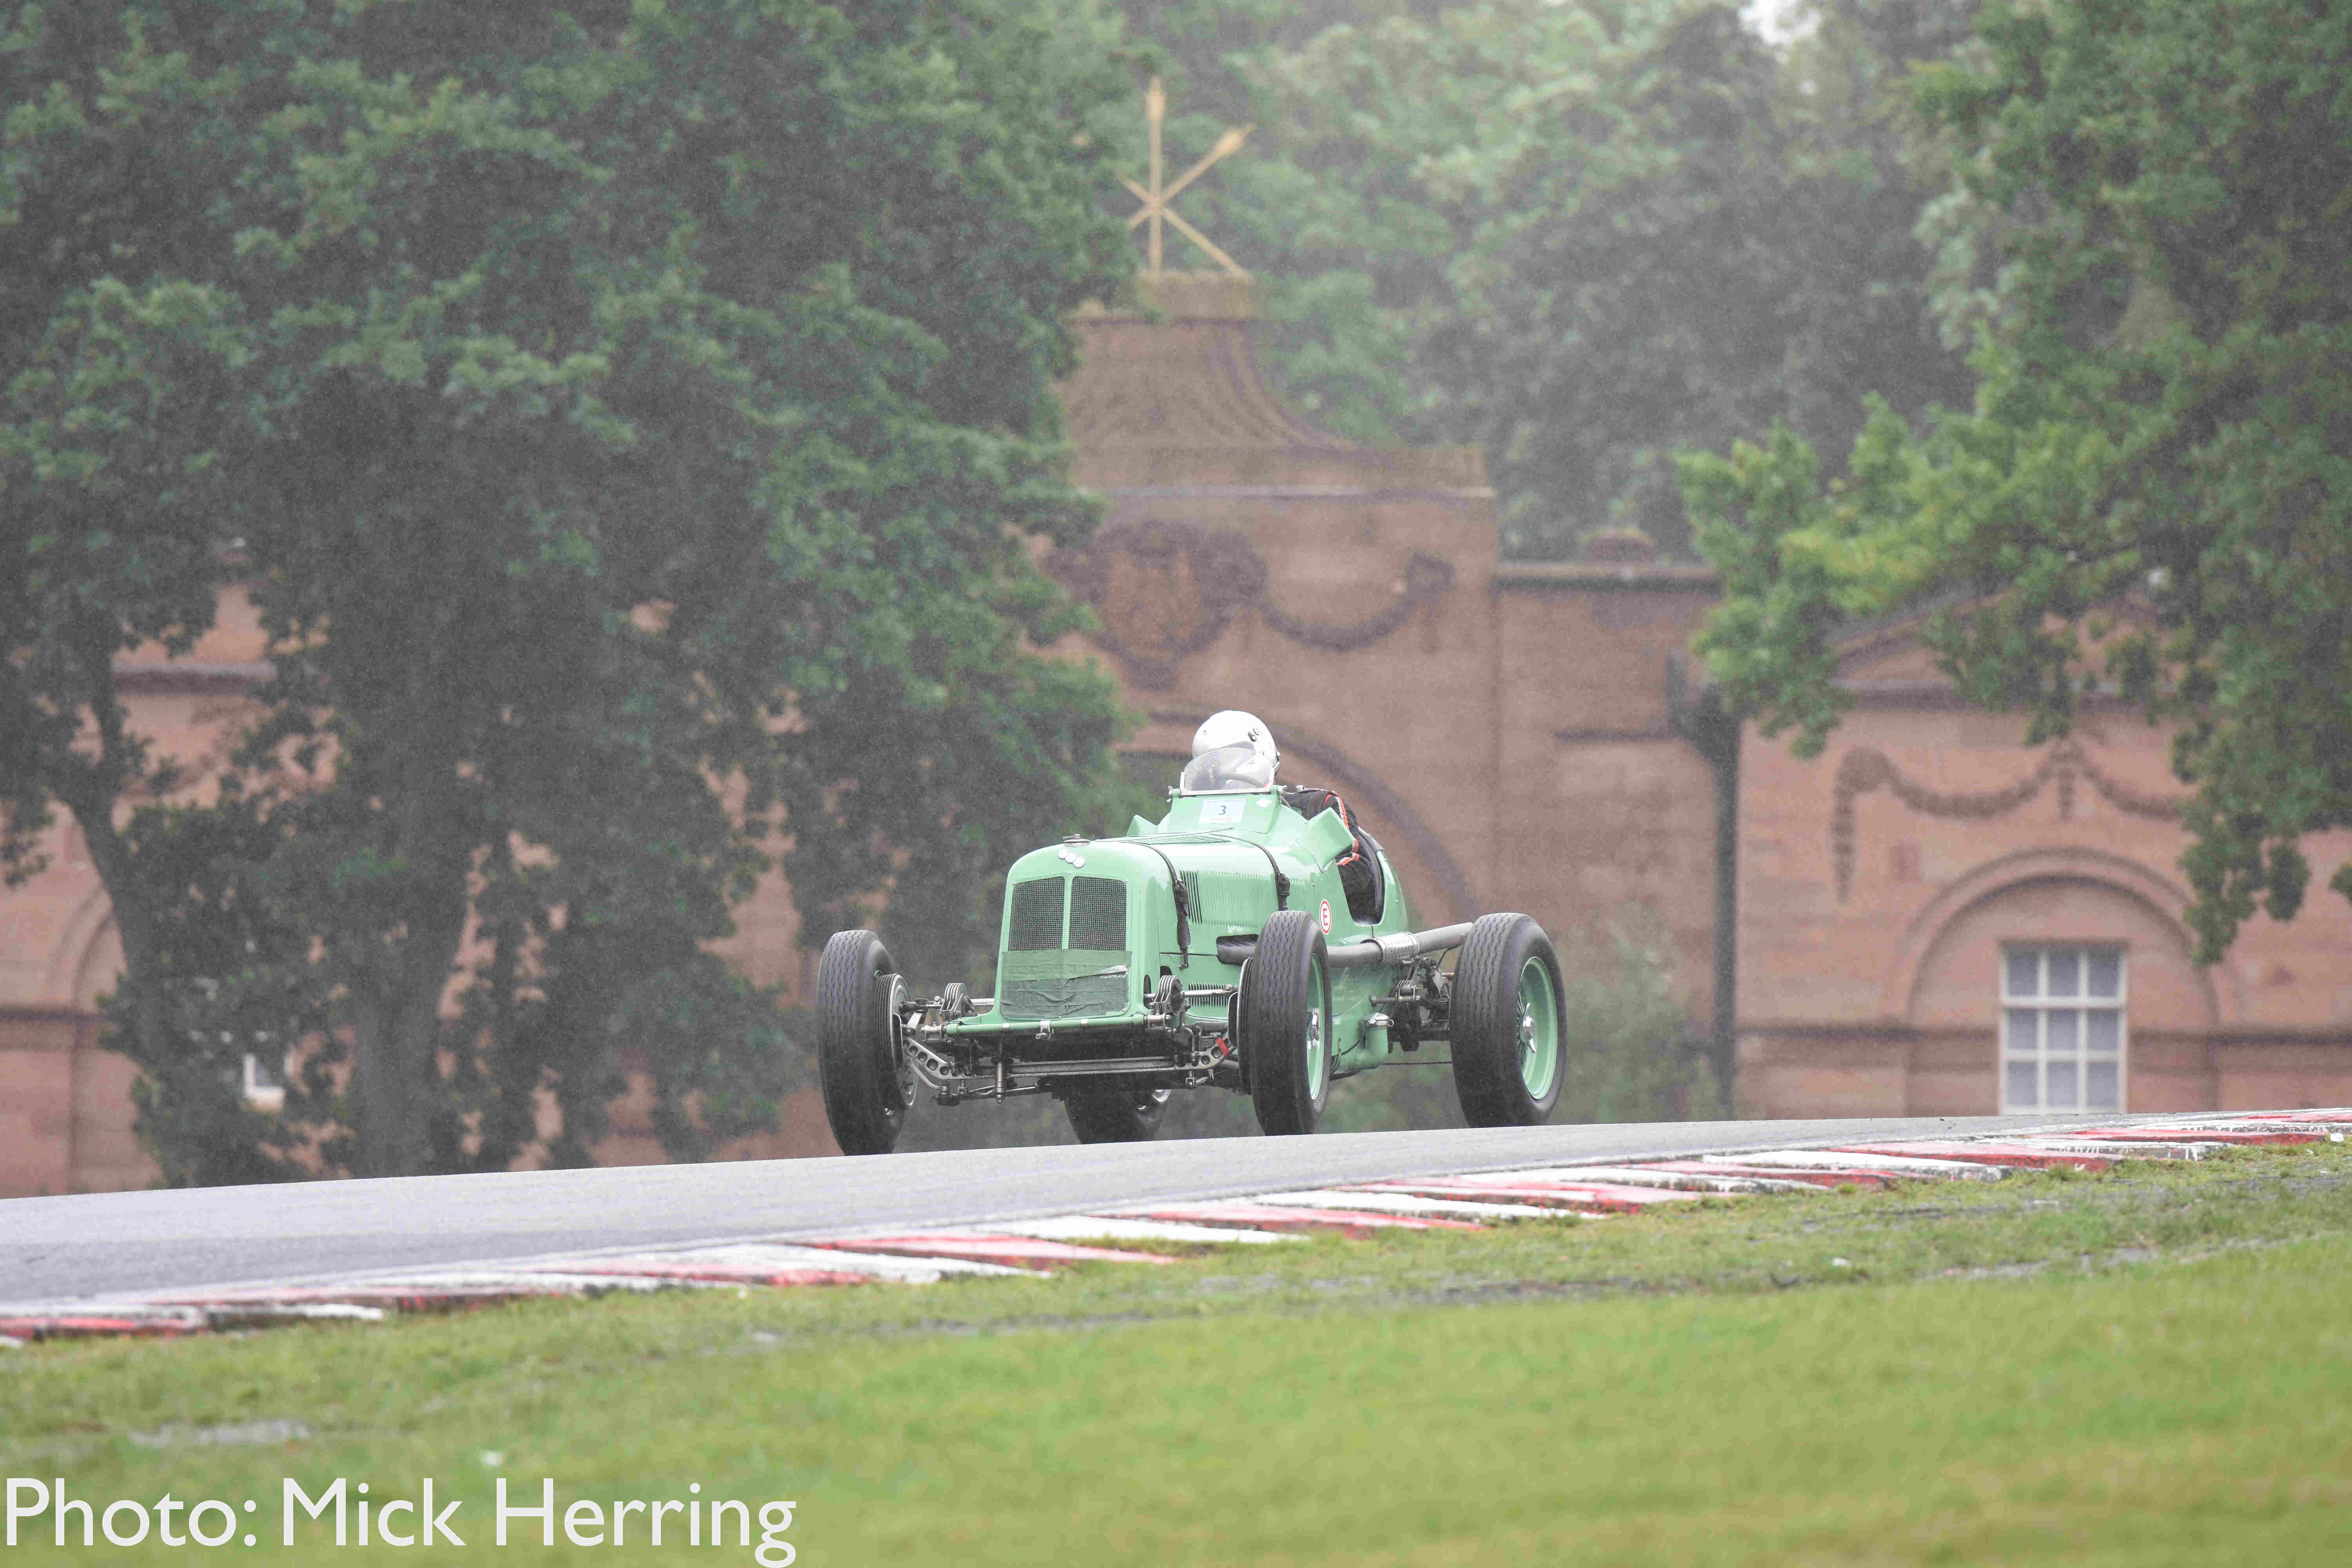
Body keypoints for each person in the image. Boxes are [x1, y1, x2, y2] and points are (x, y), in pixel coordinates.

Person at [1184, 710, 1383, 922]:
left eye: (1236, 756)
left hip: (1320, 931)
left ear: (1260, 752)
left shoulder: (1317, 807)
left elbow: (1359, 870)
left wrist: (1286, 885)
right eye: (1212, 765)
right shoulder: (1198, 821)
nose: (1224, 769)